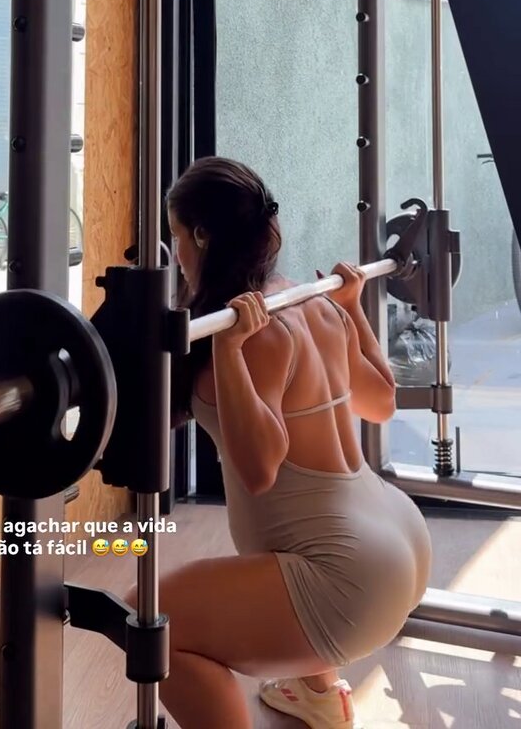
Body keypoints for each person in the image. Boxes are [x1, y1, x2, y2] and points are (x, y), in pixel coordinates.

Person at [124, 156, 432, 729]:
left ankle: (313, 684)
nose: (176, 255)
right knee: (283, 556)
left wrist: (228, 351)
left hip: (351, 581)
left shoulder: (247, 335)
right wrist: (352, 308)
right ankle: (318, 694)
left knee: (147, 619)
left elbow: (259, 469)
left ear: (202, 236)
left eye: (176, 237)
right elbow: (381, 402)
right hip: (401, 541)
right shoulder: (312, 300)